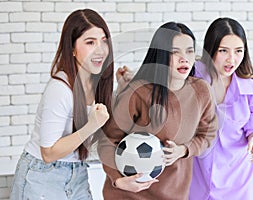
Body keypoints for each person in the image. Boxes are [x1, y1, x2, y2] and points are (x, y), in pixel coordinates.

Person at [97, 22, 218, 200]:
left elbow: (208, 134)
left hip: (173, 193)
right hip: (128, 193)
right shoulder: (138, 92)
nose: (184, 58)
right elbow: (107, 141)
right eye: (175, 52)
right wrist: (118, 179)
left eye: (189, 51)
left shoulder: (202, 91)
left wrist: (184, 150)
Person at [10, 9, 114, 200]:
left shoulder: (97, 83)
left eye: (104, 40)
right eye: (90, 42)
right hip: (42, 175)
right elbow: (48, 153)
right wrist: (91, 126)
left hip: (77, 173)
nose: (100, 49)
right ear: (73, 49)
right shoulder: (60, 89)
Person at [189, 17, 253, 200]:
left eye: (238, 51)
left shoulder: (250, 88)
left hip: (239, 180)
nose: (231, 59)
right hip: (198, 178)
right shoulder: (193, 76)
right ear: (211, 49)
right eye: (223, 50)